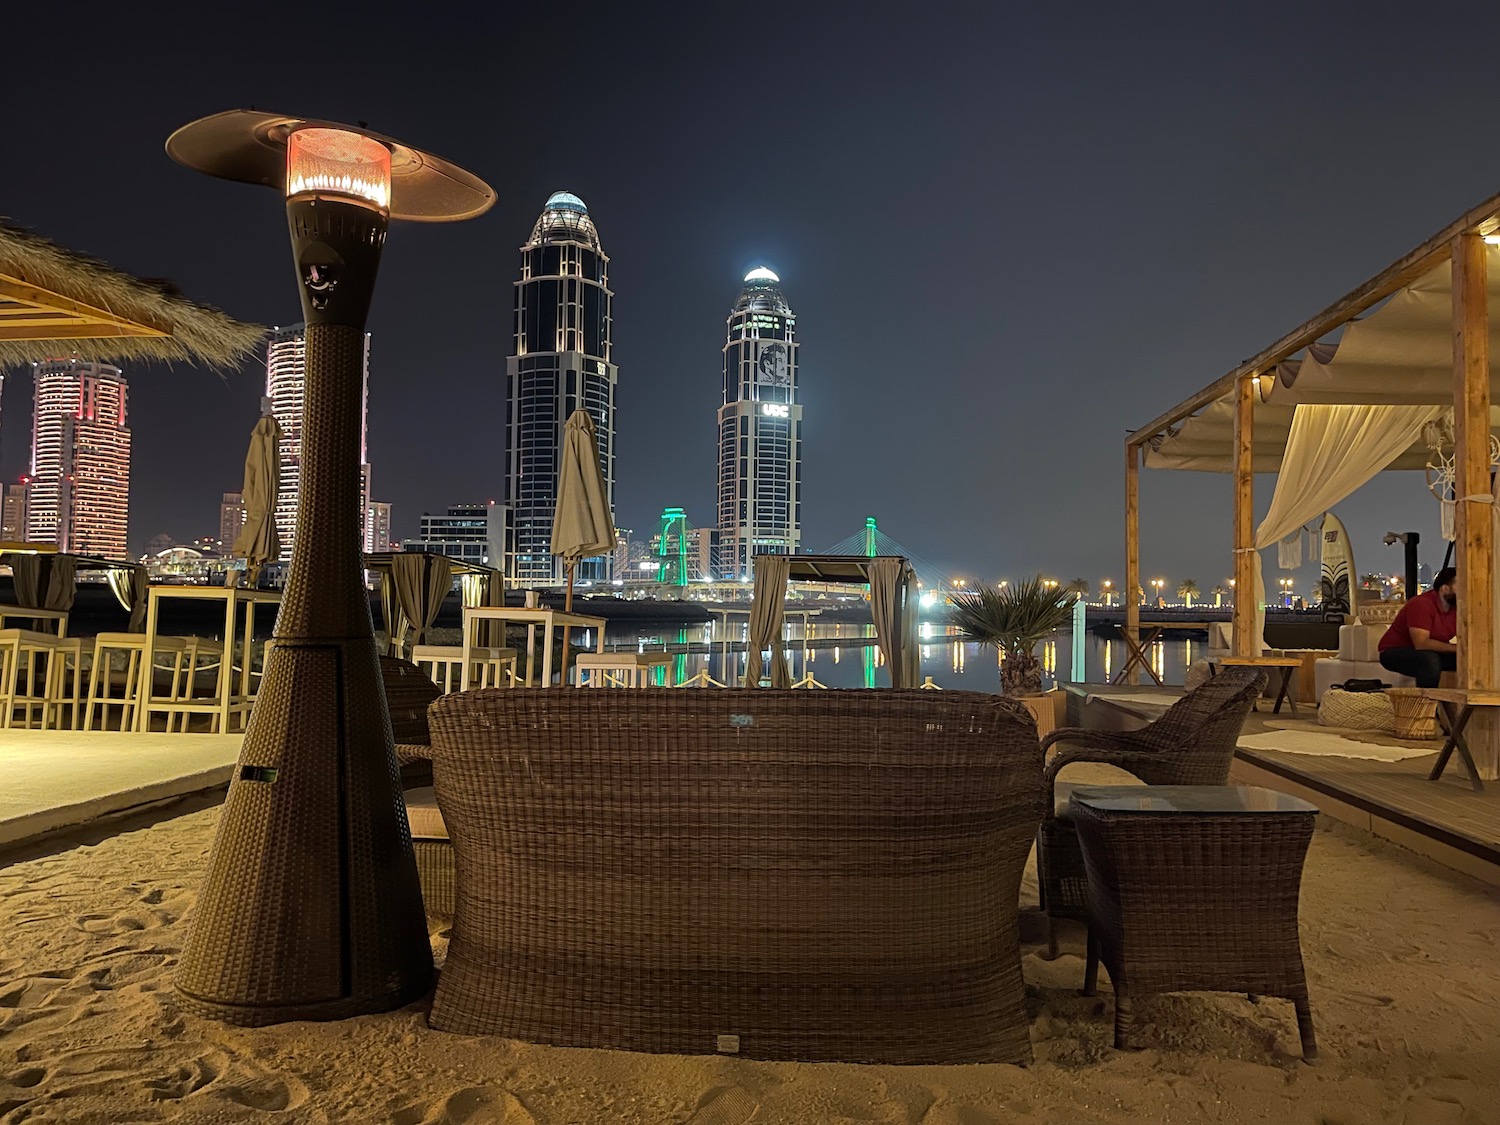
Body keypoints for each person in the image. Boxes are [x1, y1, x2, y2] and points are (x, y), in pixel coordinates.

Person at [1377, 567, 1458, 688]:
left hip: (1430, 652)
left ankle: (1462, 704)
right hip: (1394, 651)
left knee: (1468, 660)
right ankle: (1425, 705)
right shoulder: (1421, 604)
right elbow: (1421, 643)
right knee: (1430, 661)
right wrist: (1458, 648)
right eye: (1461, 587)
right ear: (1445, 589)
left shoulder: (1457, 609)